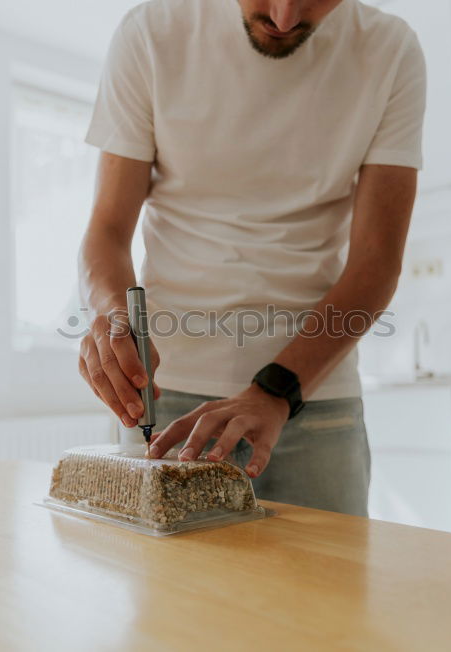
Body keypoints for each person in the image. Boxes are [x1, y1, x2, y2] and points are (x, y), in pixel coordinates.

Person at [78, 0, 425, 516]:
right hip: (169, 401)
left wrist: (276, 391)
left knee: (325, 594)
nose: (284, 18)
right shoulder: (151, 33)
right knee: (172, 595)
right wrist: (112, 316)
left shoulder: (391, 49)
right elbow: (106, 230)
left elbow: (376, 262)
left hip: (312, 399)